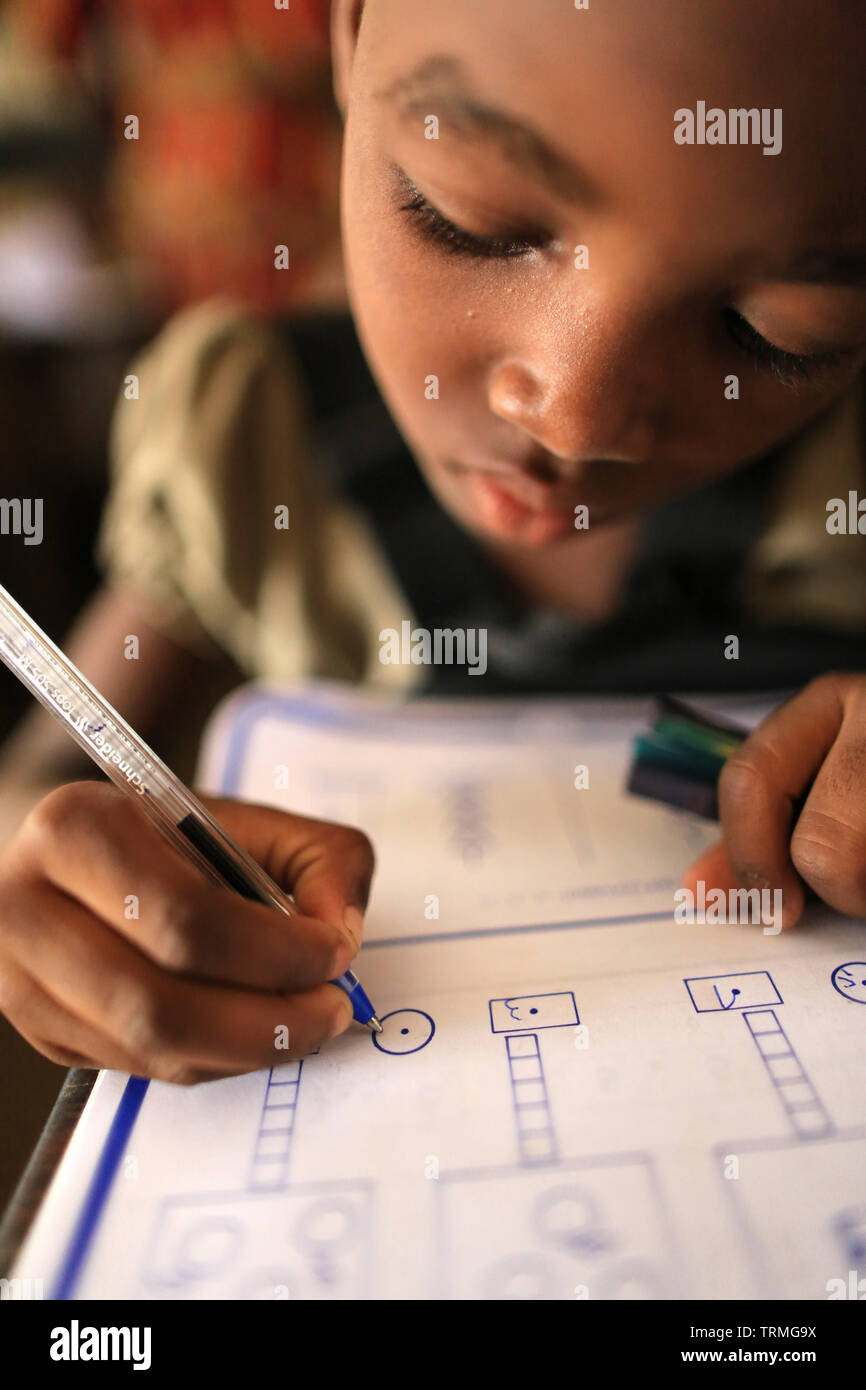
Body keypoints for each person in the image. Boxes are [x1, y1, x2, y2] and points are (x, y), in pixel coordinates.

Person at [0, 0, 864, 1083]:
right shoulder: (245, 433)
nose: (571, 417)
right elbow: (53, 751)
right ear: (348, 36)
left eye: (778, 334)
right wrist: (35, 844)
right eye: (471, 223)